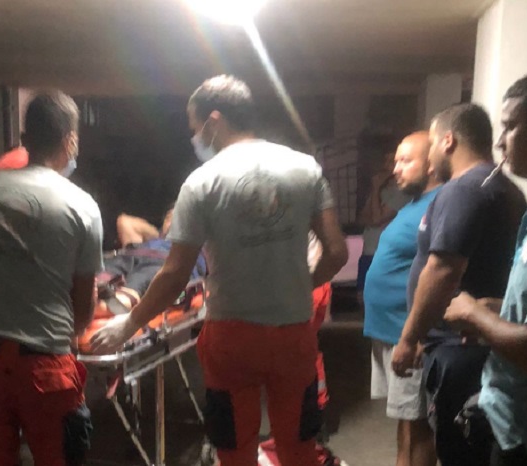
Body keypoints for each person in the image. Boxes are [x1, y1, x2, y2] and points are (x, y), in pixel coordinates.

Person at [90, 75, 348, 466]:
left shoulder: (201, 183)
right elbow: (336, 252)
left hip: (232, 337)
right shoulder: (305, 169)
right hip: (292, 334)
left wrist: (129, 325)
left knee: (234, 452)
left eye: (195, 128)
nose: (195, 138)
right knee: (299, 450)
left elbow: (175, 275)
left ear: (215, 120)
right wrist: (301, 286)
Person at [0, 91, 102, 466]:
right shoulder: (81, 205)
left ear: (25, 139)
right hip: (44, 369)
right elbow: (84, 304)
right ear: (70, 140)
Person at [391, 103, 526, 466]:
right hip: (472, 343)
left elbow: (442, 269)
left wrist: (409, 338)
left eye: (433, 143)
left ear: (447, 141)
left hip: (459, 349)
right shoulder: (503, 187)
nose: (431, 155)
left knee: (458, 451)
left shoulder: (465, 189)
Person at [443, 69, 527, 466]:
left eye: (511, 126)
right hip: (510, 420)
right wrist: (498, 310)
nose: (501, 141)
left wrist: (474, 314)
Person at [363, 132, 443, 466]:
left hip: (407, 333)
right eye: (395, 160)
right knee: (405, 419)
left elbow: (443, 273)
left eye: (405, 161)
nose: (396, 168)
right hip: (389, 331)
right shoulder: (414, 203)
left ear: (432, 162)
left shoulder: (442, 203)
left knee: (420, 426)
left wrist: (419, 335)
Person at [357, 152, 409, 302]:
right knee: (362, 297)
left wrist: (375, 189)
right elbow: (361, 218)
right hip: (368, 251)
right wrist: (376, 191)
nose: (386, 166)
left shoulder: (402, 193)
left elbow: (376, 219)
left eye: (391, 162)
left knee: (378, 297)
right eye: (385, 161)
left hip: (383, 252)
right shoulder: (382, 191)